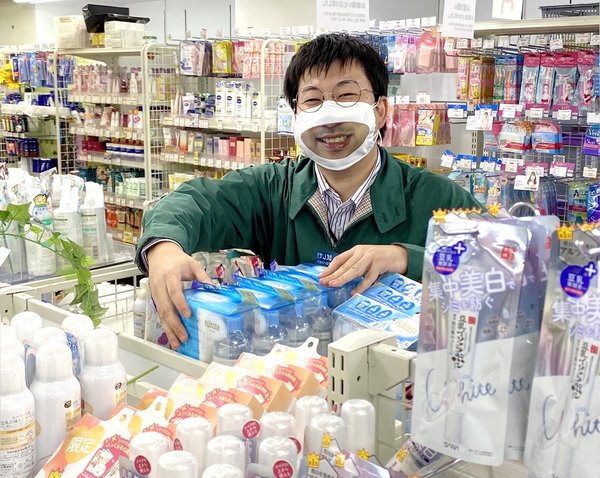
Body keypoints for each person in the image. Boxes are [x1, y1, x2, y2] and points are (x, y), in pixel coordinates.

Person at [135, 33, 480, 349]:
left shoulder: (437, 199)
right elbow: (197, 201)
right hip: (295, 380)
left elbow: (492, 265)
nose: (330, 118)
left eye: (346, 95)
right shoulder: (275, 189)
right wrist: (163, 249)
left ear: (380, 111)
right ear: (295, 115)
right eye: (313, 100)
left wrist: (406, 258)